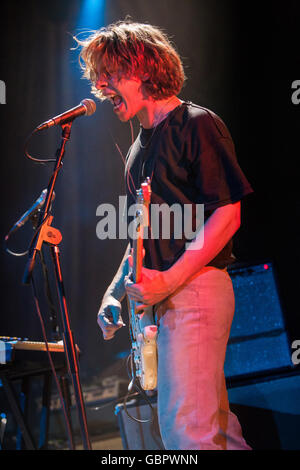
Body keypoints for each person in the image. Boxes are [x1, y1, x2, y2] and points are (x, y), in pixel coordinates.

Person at [76, 19, 253, 450]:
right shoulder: (138, 149)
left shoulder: (196, 124)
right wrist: (113, 294)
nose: (100, 86)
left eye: (109, 73)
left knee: (186, 433)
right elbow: (138, 238)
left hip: (194, 290)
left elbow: (228, 214)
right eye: (97, 76)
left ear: (143, 68)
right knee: (215, 431)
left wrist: (170, 281)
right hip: (161, 302)